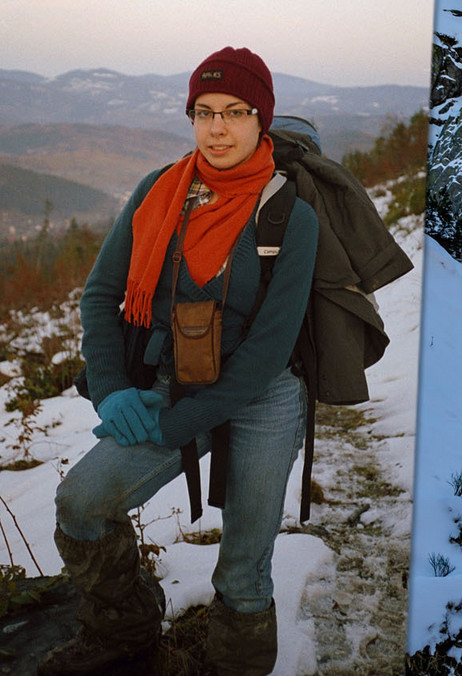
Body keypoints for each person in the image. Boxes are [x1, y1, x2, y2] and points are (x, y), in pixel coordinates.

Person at [40, 46, 319, 676]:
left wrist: (174, 427)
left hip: (264, 391)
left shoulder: (290, 219)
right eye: (203, 112)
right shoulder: (160, 191)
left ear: (261, 119)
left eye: (234, 113)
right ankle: (125, 631)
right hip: (170, 382)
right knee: (81, 502)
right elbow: (101, 295)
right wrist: (112, 390)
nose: (217, 129)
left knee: (245, 568)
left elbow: (266, 354)